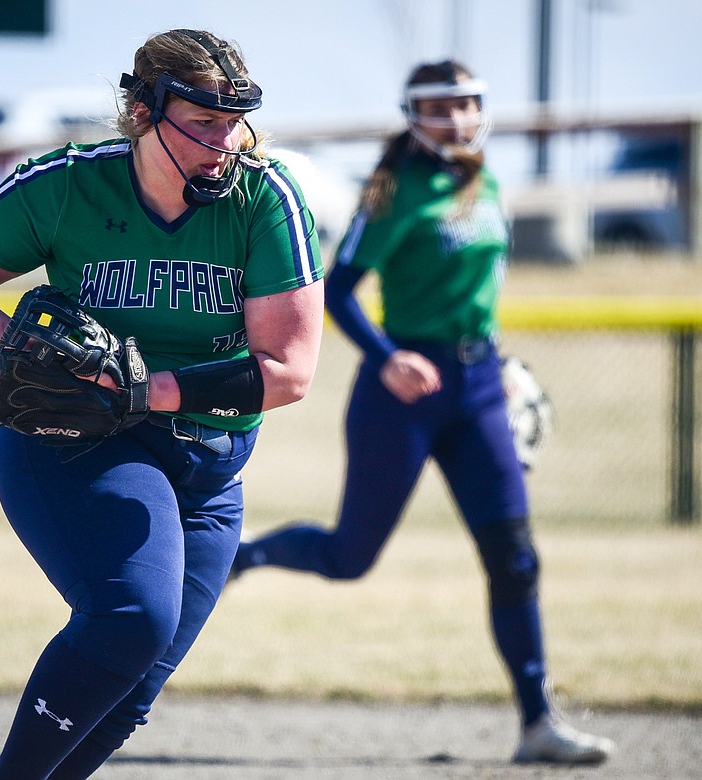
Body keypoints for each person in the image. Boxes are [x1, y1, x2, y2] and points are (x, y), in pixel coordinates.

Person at [0, 29, 323, 779]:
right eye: (201, 121)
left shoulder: (265, 199)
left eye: (234, 121)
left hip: (210, 469)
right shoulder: (70, 183)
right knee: (133, 620)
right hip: (84, 440)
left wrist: (149, 387)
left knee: (131, 689)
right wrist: (17, 343)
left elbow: (289, 370)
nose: (223, 141)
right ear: (142, 110)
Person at [231, 60, 614, 765]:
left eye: (469, 102)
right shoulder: (394, 191)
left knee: (515, 558)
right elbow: (339, 289)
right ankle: (244, 553)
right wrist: (387, 358)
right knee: (350, 558)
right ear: (414, 114)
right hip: (402, 394)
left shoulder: (486, 178)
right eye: (443, 106)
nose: (460, 117)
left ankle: (537, 724)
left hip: (477, 391)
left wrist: (491, 356)